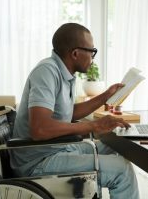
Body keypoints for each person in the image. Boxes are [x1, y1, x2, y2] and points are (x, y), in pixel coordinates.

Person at [10, 23, 139, 199]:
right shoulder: (46, 72)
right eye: (92, 51)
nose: (93, 57)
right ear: (76, 53)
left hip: (58, 148)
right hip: (39, 160)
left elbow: (67, 113)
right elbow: (40, 129)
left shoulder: (65, 74)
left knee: (114, 147)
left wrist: (105, 96)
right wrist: (93, 126)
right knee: (122, 170)